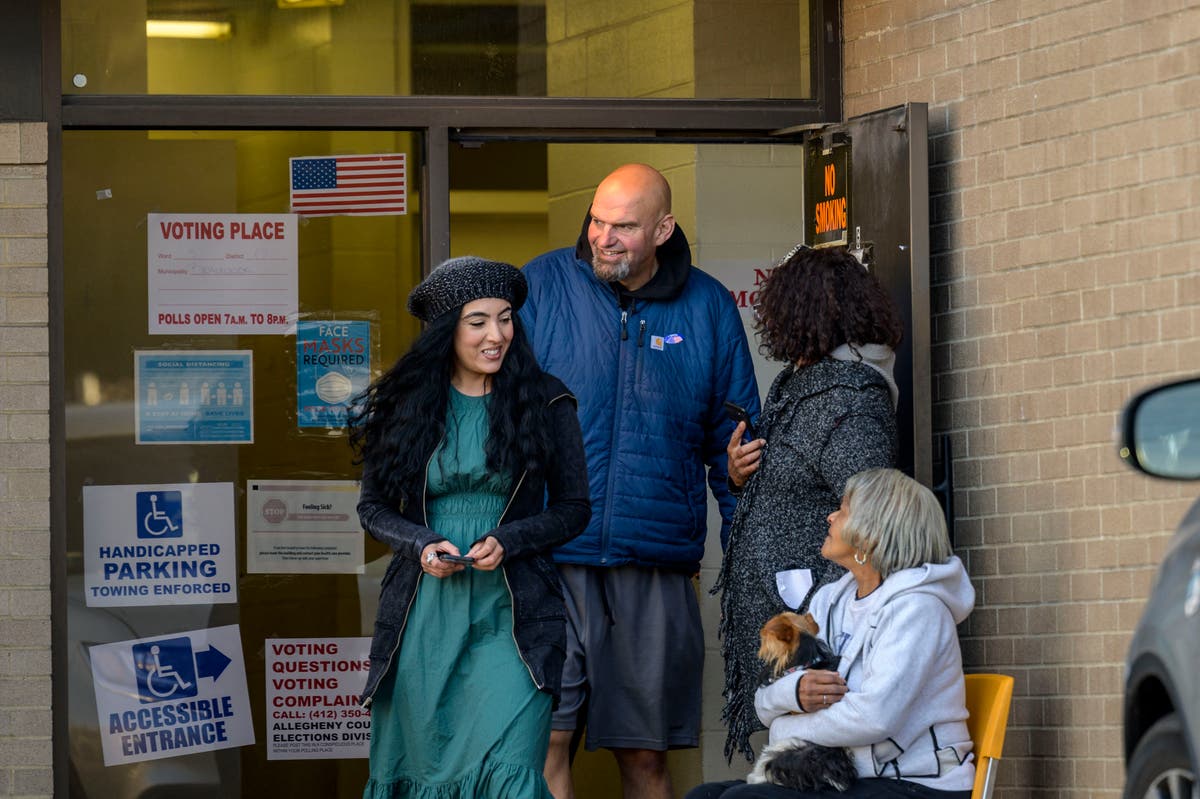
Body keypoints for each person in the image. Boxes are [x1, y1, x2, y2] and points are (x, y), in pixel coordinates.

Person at [521, 163, 760, 799]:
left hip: (653, 564)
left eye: (623, 226)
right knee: (543, 745)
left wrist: (745, 570)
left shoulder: (708, 306)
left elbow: (735, 449)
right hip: (548, 558)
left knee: (646, 758)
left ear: (663, 228)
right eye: (597, 221)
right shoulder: (540, 286)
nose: (603, 236)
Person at [351, 256, 591, 799]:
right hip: (423, 616)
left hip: (514, 616)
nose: (497, 335)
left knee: (511, 765)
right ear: (446, 330)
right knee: (424, 768)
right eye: (478, 321)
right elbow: (373, 508)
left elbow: (575, 508)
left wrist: (509, 540)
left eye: (505, 319)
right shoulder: (406, 405)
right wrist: (420, 543)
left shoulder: (546, 400)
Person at [715, 244, 904, 762]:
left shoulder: (850, 399)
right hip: (796, 620)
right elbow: (794, 484)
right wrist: (738, 475)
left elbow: (870, 513)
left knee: (805, 763)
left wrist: (815, 611)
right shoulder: (802, 385)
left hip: (818, 626)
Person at [688, 467, 976, 799]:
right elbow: (764, 701)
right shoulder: (831, 599)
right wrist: (795, 693)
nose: (830, 517)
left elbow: (874, 718)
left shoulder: (918, 608)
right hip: (844, 774)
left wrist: (785, 726)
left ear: (871, 534)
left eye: (843, 509)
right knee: (704, 796)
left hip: (919, 782)